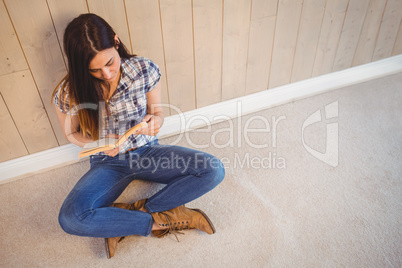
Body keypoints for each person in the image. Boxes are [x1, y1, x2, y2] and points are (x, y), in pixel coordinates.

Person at [52, 13, 225, 259]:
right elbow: (71, 133)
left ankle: (127, 216)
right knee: (71, 218)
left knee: (213, 169)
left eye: (110, 62)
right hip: (107, 162)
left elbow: (158, 114)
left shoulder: (144, 69)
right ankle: (162, 221)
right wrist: (98, 144)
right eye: (95, 70)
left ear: (116, 41)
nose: (107, 74)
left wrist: (155, 123)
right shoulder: (69, 91)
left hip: (147, 151)